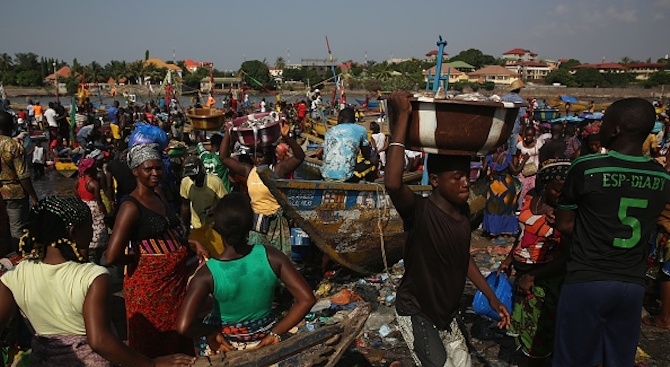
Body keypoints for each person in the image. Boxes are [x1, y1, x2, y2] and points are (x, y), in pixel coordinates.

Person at [385, 91, 510, 367]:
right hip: (417, 311)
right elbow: (393, 184)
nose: (466, 183)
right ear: (436, 181)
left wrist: (490, 297)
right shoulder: (420, 211)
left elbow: (462, 258)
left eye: (467, 176)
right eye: (457, 178)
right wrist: (403, 117)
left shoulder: (463, 214)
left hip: (447, 314)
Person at [0, 196, 195, 367]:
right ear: (73, 232)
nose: (93, 231)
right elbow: (100, 341)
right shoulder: (91, 276)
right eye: (90, 225)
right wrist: (152, 363)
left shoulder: (16, 274)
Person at [553, 98, 670, 366]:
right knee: (618, 358)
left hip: (587, 278)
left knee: (574, 358)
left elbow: (564, 224)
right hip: (631, 283)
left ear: (615, 130)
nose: (599, 127)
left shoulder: (588, 167)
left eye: (604, 122)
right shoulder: (661, 177)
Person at [176, 193, 315, 354]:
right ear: (251, 225)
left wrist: (211, 332)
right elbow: (307, 299)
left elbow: (183, 326)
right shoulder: (271, 256)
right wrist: (276, 332)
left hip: (225, 346)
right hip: (263, 339)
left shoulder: (207, 273)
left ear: (215, 227)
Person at [107, 144, 204, 358]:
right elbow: (112, 255)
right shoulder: (130, 207)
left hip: (174, 285)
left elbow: (172, 230)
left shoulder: (158, 194)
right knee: (151, 339)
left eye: (158, 168)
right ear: (135, 171)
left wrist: (191, 246)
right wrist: (136, 258)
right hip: (149, 288)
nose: (155, 174)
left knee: (177, 334)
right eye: (148, 169)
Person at [500, 159, 571, 367]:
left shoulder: (565, 214)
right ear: (545, 185)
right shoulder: (531, 199)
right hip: (523, 275)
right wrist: (508, 259)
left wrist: (532, 277)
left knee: (539, 336)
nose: (561, 195)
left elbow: (566, 257)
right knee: (525, 330)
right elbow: (522, 234)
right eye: (557, 190)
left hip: (543, 279)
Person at [219, 120, 304, 255]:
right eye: (254, 155)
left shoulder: (276, 170)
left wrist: (287, 137)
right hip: (257, 224)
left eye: (261, 155)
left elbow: (299, 157)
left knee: (278, 260)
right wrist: (227, 133)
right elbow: (224, 158)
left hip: (276, 224)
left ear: (269, 155)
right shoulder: (249, 171)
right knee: (258, 258)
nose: (257, 159)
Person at [0, 111, 39, 252]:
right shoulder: (13, 146)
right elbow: (23, 175)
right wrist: (34, 196)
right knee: (17, 229)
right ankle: (17, 259)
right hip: (14, 193)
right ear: (11, 126)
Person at [180, 155, 227, 258]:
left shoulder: (215, 182)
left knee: (218, 255)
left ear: (202, 168)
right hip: (197, 228)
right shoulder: (185, 183)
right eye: (191, 176)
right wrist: (184, 228)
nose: (193, 179)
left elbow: (226, 203)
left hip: (214, 227)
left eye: (195, 175)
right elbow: (185, 206)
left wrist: (216, 210)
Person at [482, 145, 522, 242]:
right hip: (507, 185)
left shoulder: (489, 156)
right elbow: (515, 172)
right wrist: (524, 161)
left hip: (494, 185)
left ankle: (493, 233)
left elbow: (483, 172)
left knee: (492, 209)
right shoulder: (507, 156)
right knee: (507, 210)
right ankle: (506, 232)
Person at [320, 107, 372, 182]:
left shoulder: (330, 131)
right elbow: (367, 155)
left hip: (325, 175)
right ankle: (370, 185)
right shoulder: (361, 130)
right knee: (374, 161)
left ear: (340, 118)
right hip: (346, 177)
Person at [74, 157, 108, 264]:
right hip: (94, 209)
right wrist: (105, 213)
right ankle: (96, 253)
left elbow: (77, 197)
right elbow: (99, 202)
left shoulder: (78, 182)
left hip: (83, 206)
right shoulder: (94, 183)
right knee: (99, 230)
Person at [515, 126, 543, 210]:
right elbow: (516, 156)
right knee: (522, 190)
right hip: (523, 171)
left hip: (534, 171)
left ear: (534, 135)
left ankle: (529, 208)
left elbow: (541, 157)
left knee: (532, 189)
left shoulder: (538, 144)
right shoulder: (520, 145)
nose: (528, 138)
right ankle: (520, 208)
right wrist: (516, 168)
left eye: (530, 136)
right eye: (526, 135)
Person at [502, 79, 526, 156]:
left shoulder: (504, 98)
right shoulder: (519, 100)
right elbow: (522, 116)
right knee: (513, 149)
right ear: (519, 89)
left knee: (504, 147)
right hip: (515, 127)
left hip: (504, 126)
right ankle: (510, 163)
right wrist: (524, 127)